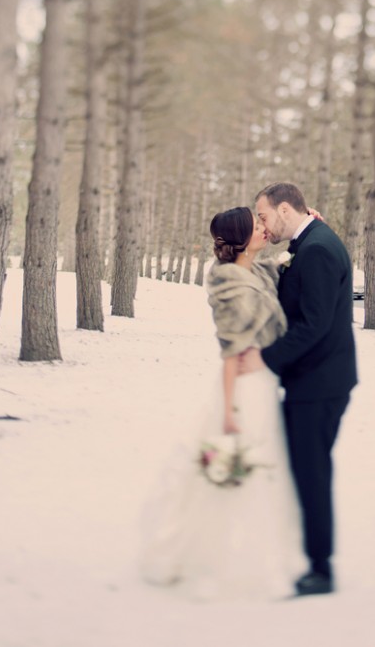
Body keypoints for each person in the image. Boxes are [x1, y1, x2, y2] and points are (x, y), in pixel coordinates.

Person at [140, 206, 303, 602]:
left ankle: (263, 549)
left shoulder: (253, 271)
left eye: (263, 223)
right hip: (244, 390)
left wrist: (298, 241)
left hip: (264, 384)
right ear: (242, 239)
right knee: (241, 465)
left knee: (264, 468)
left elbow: (276, 273)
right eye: (257, 226)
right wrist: (229, 410)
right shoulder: (230, 282)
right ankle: (219, 558)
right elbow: (231, 352)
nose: (265, 229)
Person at [240, 182, 358, 597]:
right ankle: (310, 556)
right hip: (311, 381)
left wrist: (264, 358)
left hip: (320, 384)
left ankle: (321, 569)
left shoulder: (319, 249)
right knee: (305, 471)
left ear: (286, 210)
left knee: (312, 474)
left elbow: (315, 324)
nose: (263, 224)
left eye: (265, 215)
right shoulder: (311, 241)